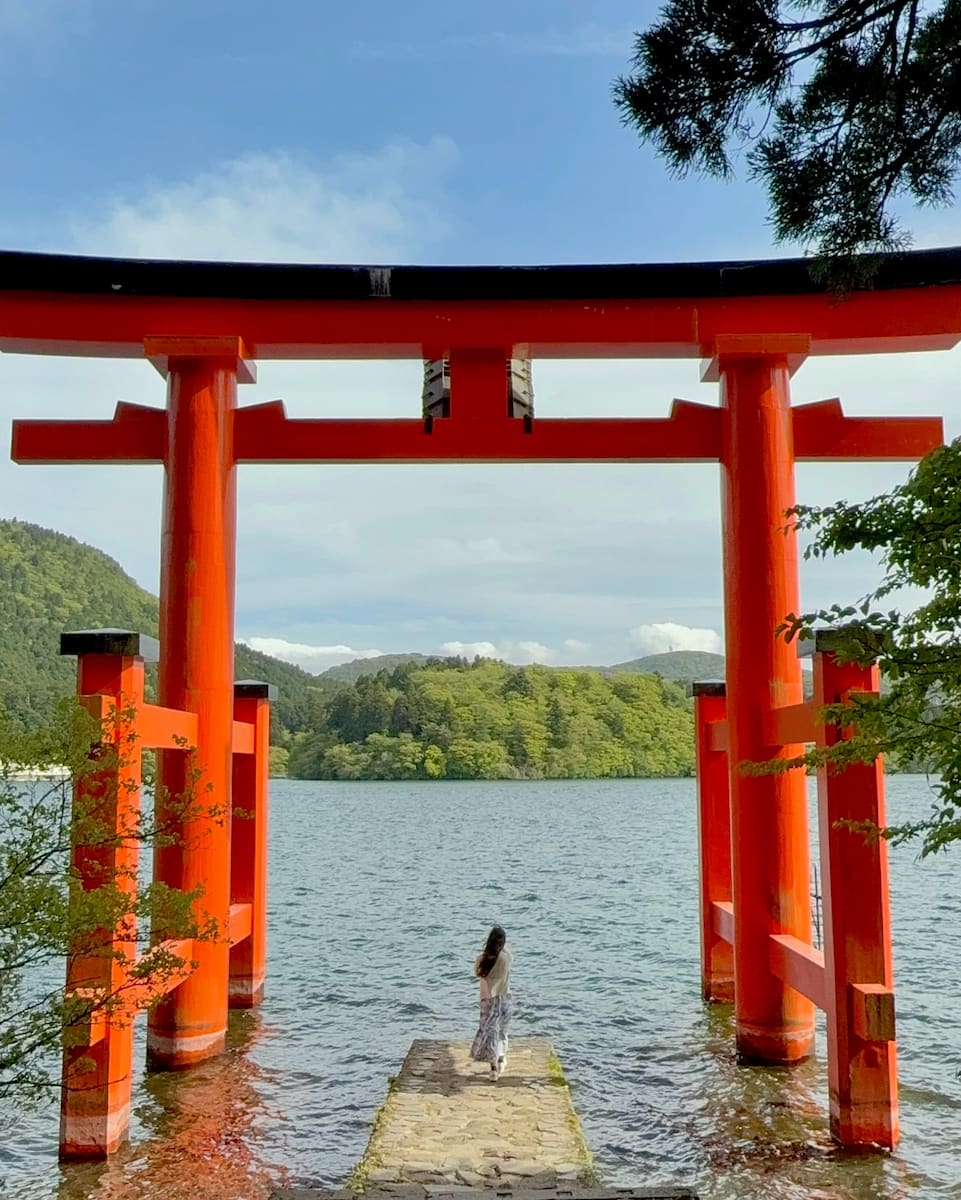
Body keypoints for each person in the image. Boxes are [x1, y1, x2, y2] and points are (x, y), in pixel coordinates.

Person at [469, 924, 513, 1079]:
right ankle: (501, 1059)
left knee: (490, 1033)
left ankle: (493, 1067)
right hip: (504, 998)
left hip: (487, 1000)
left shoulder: (482, 959)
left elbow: (478, 974)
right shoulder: (506, 958)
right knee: (502, 1031)